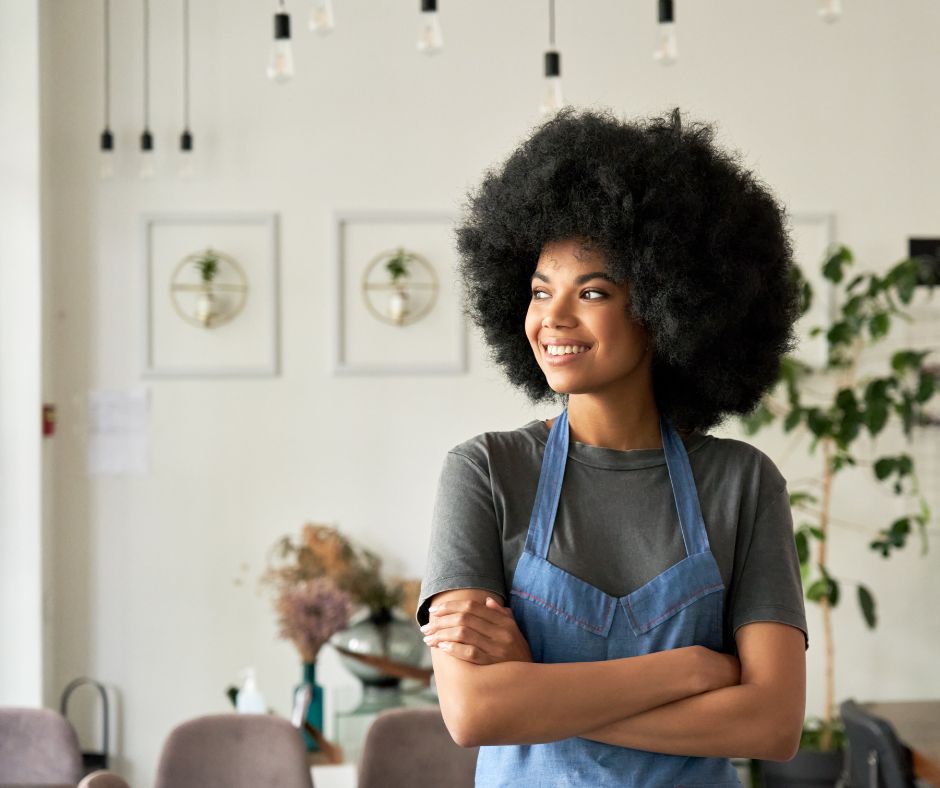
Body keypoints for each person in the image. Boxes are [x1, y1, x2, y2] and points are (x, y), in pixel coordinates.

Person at [416, 106, 809, 787]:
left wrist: (536, 688)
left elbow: (771, 725)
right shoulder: (484, 472)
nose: (553, 319)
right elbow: (474, 711)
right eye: (541, 292)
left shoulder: (743, 484)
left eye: (591, 291)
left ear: (664, 307)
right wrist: (687, 672)